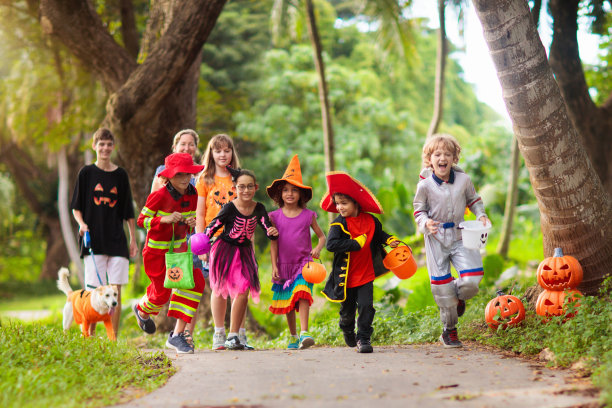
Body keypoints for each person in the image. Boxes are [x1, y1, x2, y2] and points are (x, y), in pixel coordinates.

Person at [413, 133, 490, 348]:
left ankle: (459, 295)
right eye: (437, 154)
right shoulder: (425, 186)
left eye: (447, 154)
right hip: (436, 238)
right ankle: (449, 331)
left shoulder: (464, 180)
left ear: (454, 158)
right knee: (442, 289)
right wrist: (426, 222)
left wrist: (480, 214)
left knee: (471, 281)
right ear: (430, 159)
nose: (442, 158)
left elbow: (474, 199)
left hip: (461, 234)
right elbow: (419, 211)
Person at [133, 152, 206, 354]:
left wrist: (189, 223)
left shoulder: (192, 194)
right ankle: (141, 309)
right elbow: (142, 221)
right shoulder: (158, 196)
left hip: (179, 252)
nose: (184, 179)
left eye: (188, 174)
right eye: (179, 175)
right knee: (160, 295)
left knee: (195, 281)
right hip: (156, 254)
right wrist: (162, 220)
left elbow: (189, 219)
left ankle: (177, 335)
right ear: (169, 177)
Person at [320, 172, 400, 353]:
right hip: (346, 277)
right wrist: (354, 244)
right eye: (337, 203)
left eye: (344, 203)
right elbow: (331, 245)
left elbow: (380, 235)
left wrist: (389, 240)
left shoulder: (371, 220)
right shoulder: (338, 225)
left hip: (366, 274)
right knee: (347, 312)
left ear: (356, 202)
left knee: (366, 306)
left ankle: (363, 338)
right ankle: (347, 327)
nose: (339, 207)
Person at [71, 127, 138, 337]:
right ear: (94, 146)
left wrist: (133, 240)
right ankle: (89, 336)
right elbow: (76, 207)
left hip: (117, 240)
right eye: (101, 144)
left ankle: (113, 339)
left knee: (115, 291)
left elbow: (128, 210)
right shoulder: (86, 173)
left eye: (109, 144)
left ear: (113, 147)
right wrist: (82, 224)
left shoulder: (120, 175)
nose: (105, 148)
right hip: (94, 240)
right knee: (94, 291)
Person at [202, 166, 278, 350]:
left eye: (249, 186)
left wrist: (272, 232)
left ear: (256, 188)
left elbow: (266, 227)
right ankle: (221, 333)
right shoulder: (229, 207)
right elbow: (211, 228)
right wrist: (203, 246)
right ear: (235, 188)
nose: (245, 190)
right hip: (224, 251)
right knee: (221, 291)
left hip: (244, 252)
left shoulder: (258, 208)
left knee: (243, 290)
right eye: (241, 187)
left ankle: (234, 335)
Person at [194, 134, 252, 350]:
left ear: (232, 153)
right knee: (218, 288)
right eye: (218, 151)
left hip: (240, 239)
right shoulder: (204, 179)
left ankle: (238, 333)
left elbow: (248, 209)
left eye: (227, 150)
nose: (222, 154)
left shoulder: (239, 178)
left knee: (242, 286)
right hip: (215, 240)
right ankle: (219, 333)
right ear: (211, 153)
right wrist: (201, 243)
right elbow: (200, 215)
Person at [266, 155, 326, 350]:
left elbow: (322, 237)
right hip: (283, 264)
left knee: (301, 293)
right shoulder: (273, 217)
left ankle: (304, 332)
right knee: (287, 302)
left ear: (301, 194)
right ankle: (293, 335)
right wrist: (274, 265)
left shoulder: (309, 216)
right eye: (285, 190)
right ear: (280, 194)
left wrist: (317, 249)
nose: (289, 194)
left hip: (304, 264)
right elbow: (273, 244)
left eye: (294, 190)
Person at [150, 129, 202, 348]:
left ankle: (183, 334)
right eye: (183, 144)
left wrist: (193, 225)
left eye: (191, 144)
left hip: (190, 238)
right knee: (174, 285)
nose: (187, 147)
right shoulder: (162, 173)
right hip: (166, 242)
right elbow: (151, 207)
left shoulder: (197, 174)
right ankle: (175, 333)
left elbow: (197, 206)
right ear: (174, 146)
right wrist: (168, 220)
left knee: (193, 282)